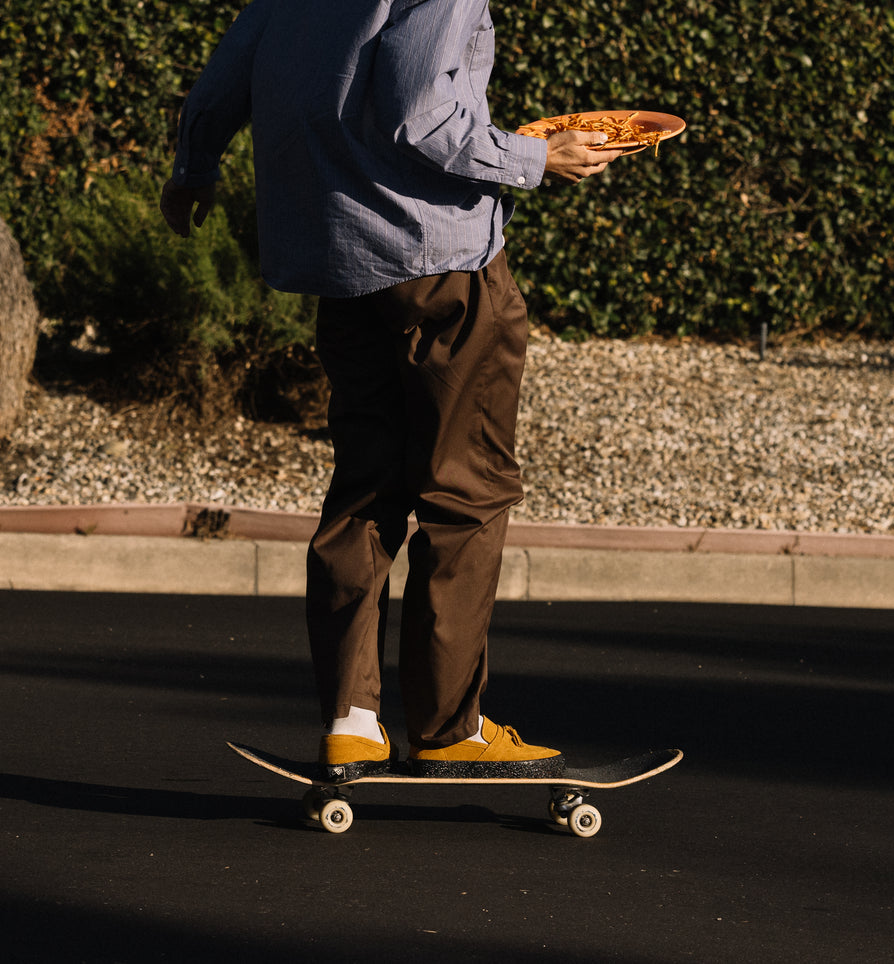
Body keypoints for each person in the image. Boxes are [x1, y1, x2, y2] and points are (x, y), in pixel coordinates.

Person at [160, 0, 624, 781]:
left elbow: (224, 80)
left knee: (364, 485)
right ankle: (450, 728)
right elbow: (421, 114)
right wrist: (533, 159)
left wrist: (193, 167)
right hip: (440, 263)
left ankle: (351, 721)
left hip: (340, 266)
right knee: (466, 492)